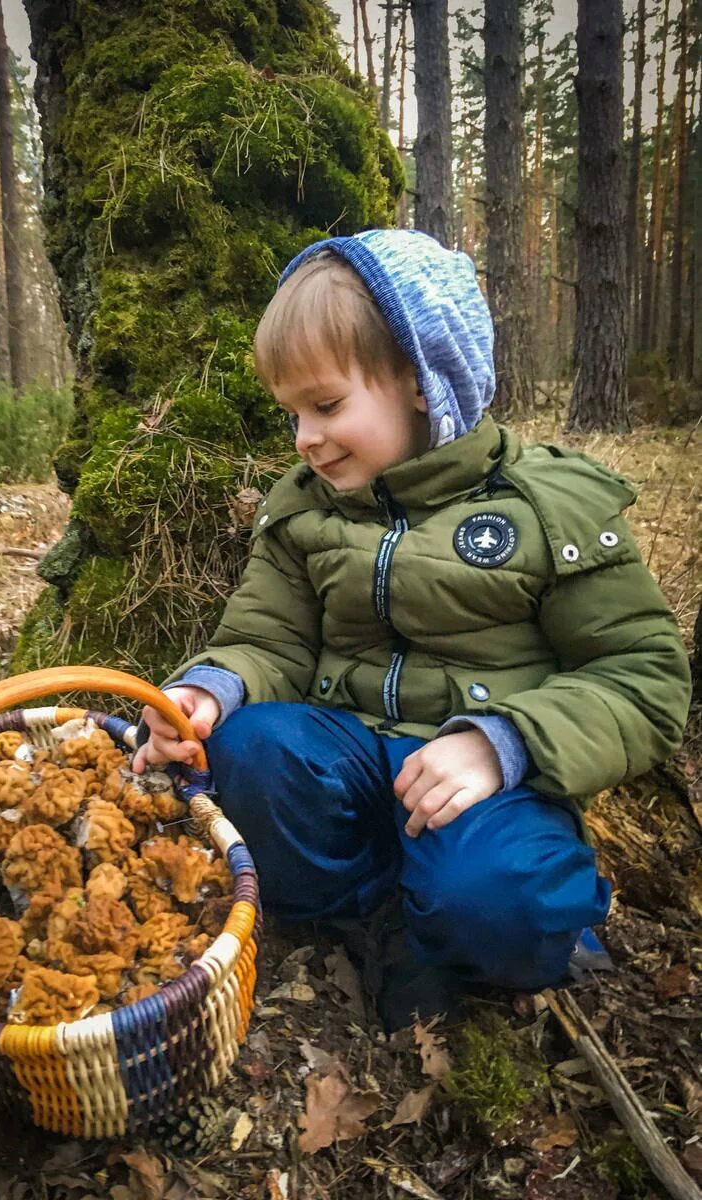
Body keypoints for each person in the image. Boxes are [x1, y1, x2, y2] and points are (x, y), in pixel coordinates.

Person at [131, 229, 691, 1027]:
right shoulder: (303, 512)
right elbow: (268, 639)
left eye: (326, 406)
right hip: (349, 755)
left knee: (508, 902)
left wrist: (504, 742)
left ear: (424, 381)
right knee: (245, 753)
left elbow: (643, 676)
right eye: (291, 413)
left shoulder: (545, 505)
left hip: (488, 784)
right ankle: (378, 918)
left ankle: (459, 924)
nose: (305, 439)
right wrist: (210, 690)